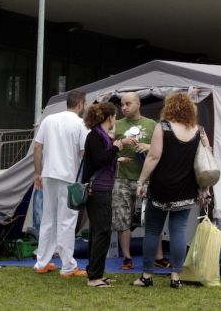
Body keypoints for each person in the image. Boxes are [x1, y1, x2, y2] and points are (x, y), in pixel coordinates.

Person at [133, 92, 211, 288]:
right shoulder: (199, 131)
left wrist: (141, 181)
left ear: (169, 108)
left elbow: (153, 156)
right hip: (186, 189)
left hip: (161, 187)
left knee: (152, 230)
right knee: (179, 232)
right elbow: (207, 163)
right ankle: (176, 277)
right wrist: (205, 189)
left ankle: (146, 276)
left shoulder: (163, 127)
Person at [33, 89, 90, 277]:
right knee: (67, 220)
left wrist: (38, 173)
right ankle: (68, 266)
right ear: (80, 104)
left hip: (48, 173)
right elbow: (84, 152)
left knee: (48, 218)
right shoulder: (81, 124)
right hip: (68, 176)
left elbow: (38, 147)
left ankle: (42, 262)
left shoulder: (49, 120)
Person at [112, 92, 169, 270]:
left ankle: (159, 257)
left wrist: (147, 147)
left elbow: (163, 149)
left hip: (147, 179)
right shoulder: (116, 124)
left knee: (153, 218)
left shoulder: (152, 124)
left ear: (138, 104)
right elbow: (106, 148)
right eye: (122, 104)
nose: (124, 108)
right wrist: (120, 144)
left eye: (128, 104)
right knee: (123, 219)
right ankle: (127, 258)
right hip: (121, 178)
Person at [82, 102, 129, 287]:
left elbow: (101, 158)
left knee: (98, 232)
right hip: (98, 190)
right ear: (109, 117)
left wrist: (117, 157)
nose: (115, 120)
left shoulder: (99, 135)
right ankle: (94, 277)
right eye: (115, 116)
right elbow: (100, 160)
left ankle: (95, 273)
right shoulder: (95, 136)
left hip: (102, 188)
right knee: (101, 232)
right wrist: (116, 148)